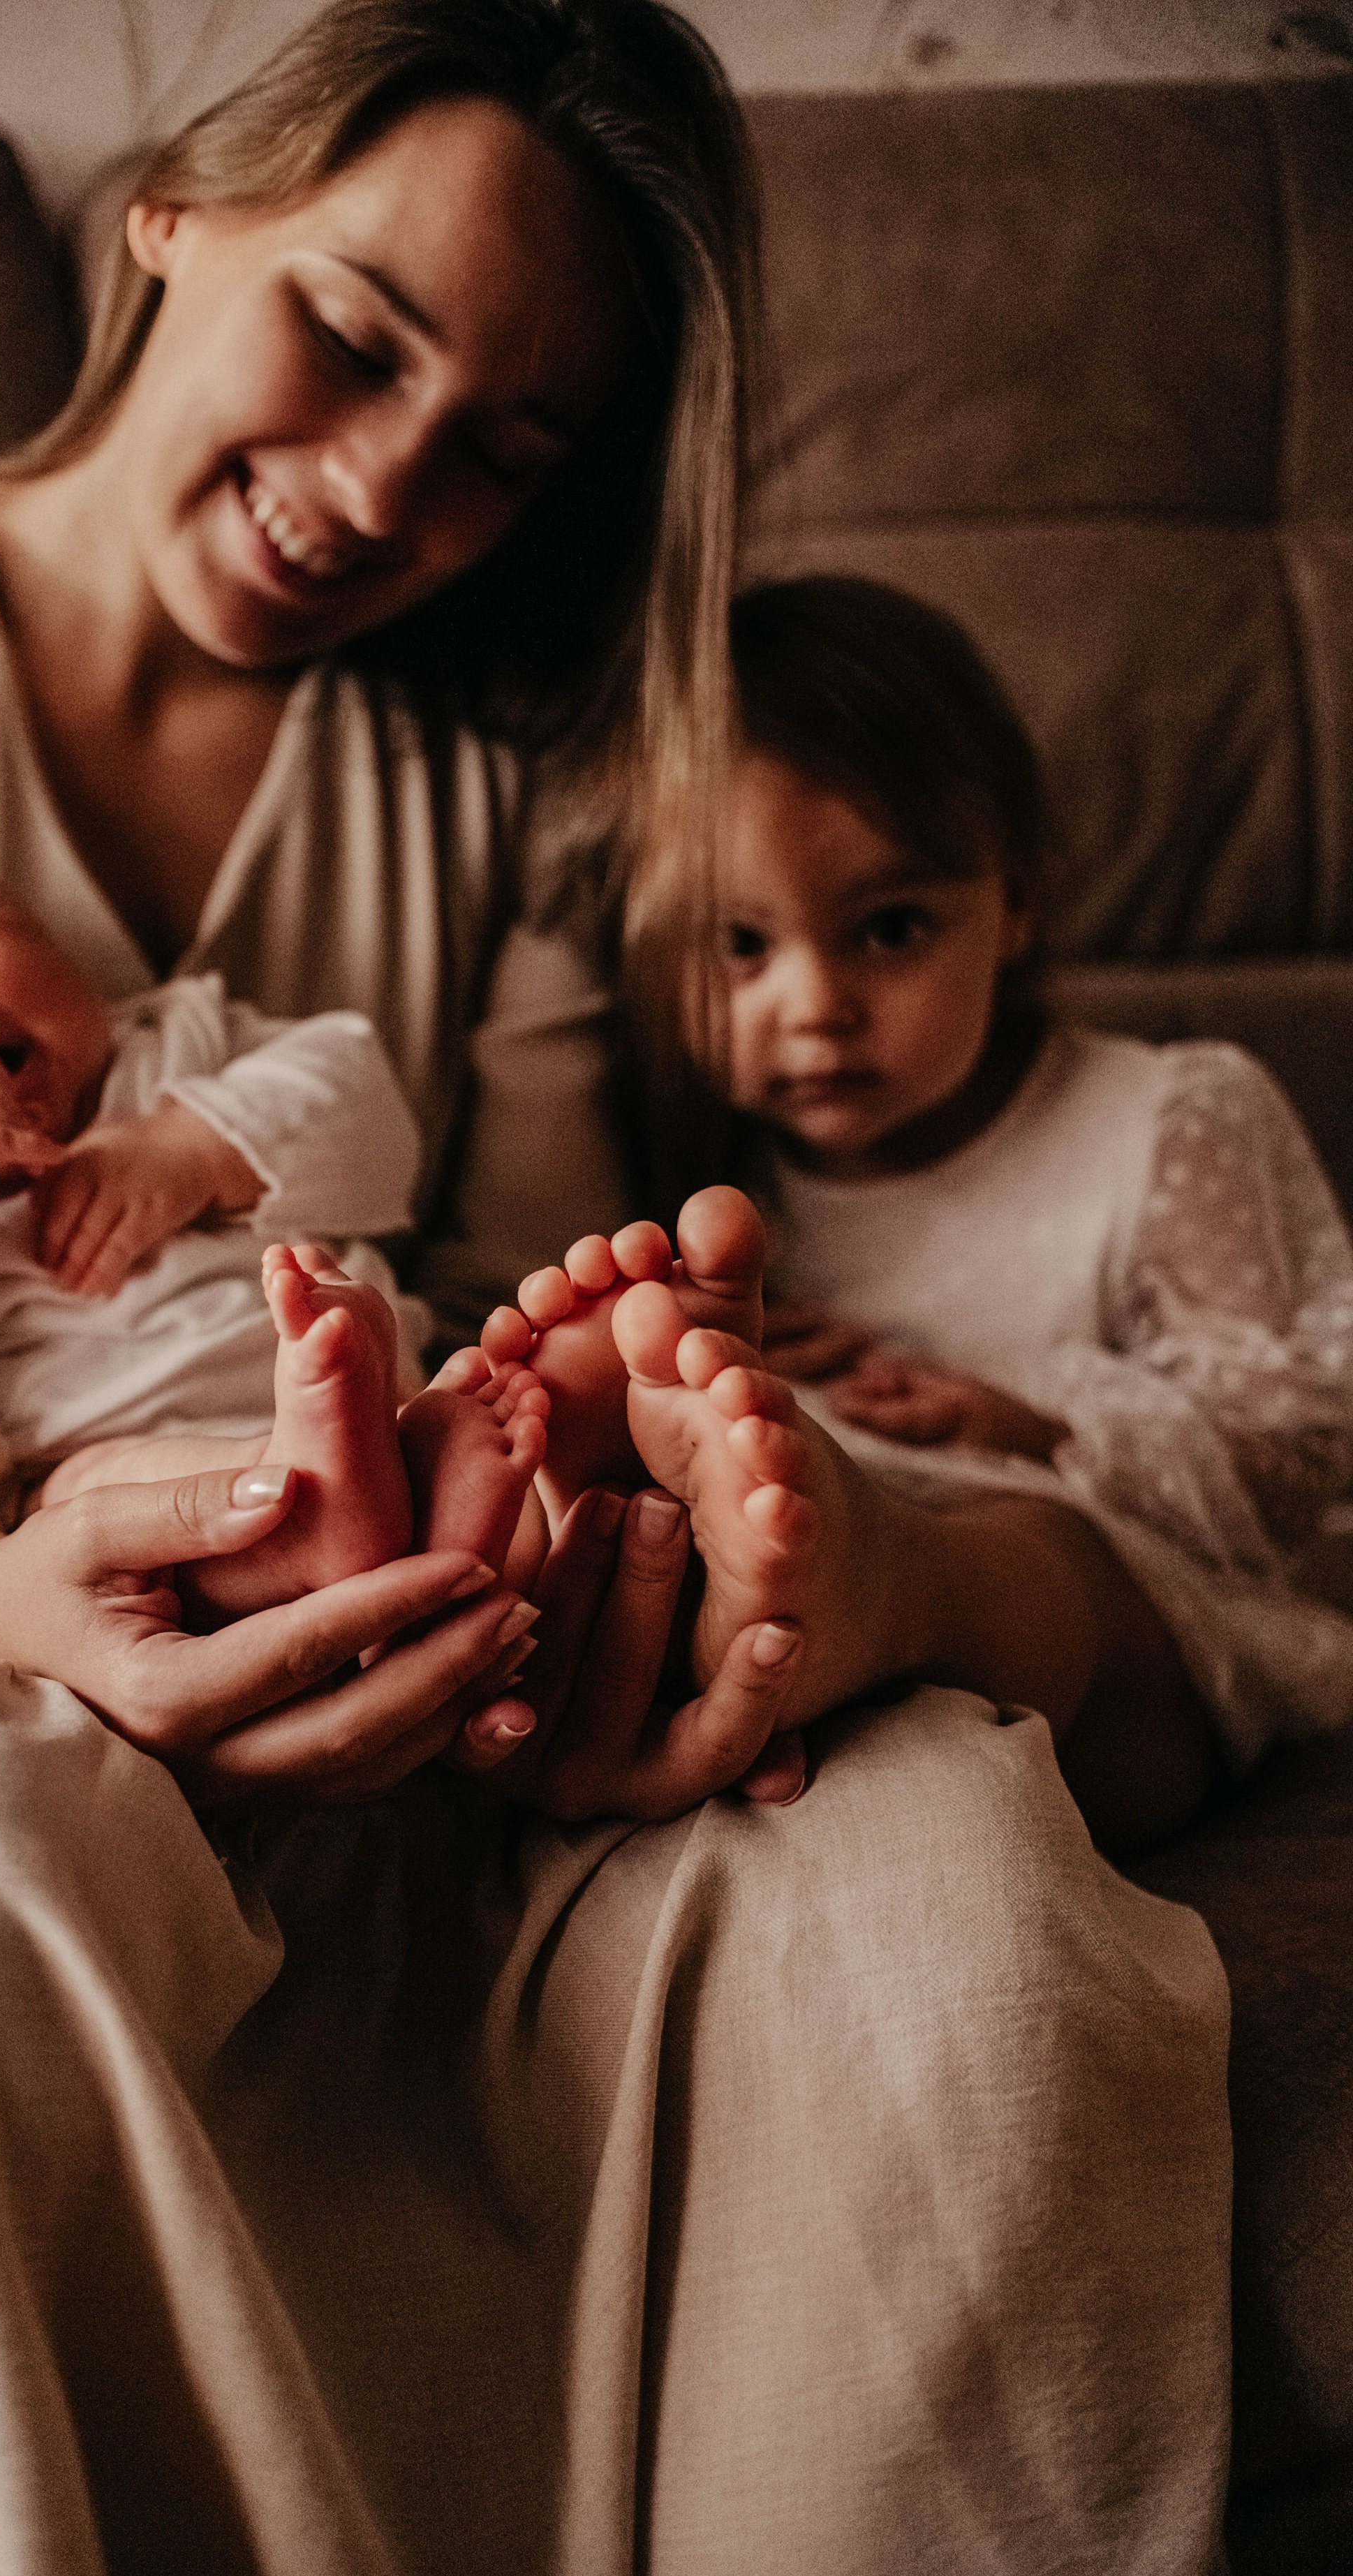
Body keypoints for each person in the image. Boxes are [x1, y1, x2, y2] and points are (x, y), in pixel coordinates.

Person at [0, 8, 1238, 2576]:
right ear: (172, 219)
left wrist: (615, 1406)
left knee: (926, 1889)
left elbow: (497, 1252)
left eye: (503, 446)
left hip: (284, 1433)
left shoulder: (483, 784)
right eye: (352, 334)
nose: (382, 490)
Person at [481, 577, 1353, 1830]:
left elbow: (1291, 1447)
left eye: (889, 930)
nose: (814, 1005)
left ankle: (873, 1602)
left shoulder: (1167, 1117)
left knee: (1028, 1560)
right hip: (813, 1593)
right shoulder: (714, 1171)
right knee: (707, 1498)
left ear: (1016, 903)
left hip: (1127, 1627)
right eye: (738, 947)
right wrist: (725, 1376)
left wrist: (1027, 1419)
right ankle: (715, 1621)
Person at [0, 797, 549, 1615]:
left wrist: (192, 1148)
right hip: (117, 1474)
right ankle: (304, 1512)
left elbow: (368, 1113)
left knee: (520, 1380)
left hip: (390, 1388)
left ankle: (458, 1497)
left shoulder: (175, 1045)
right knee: (84, 1494)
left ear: (39, 923)